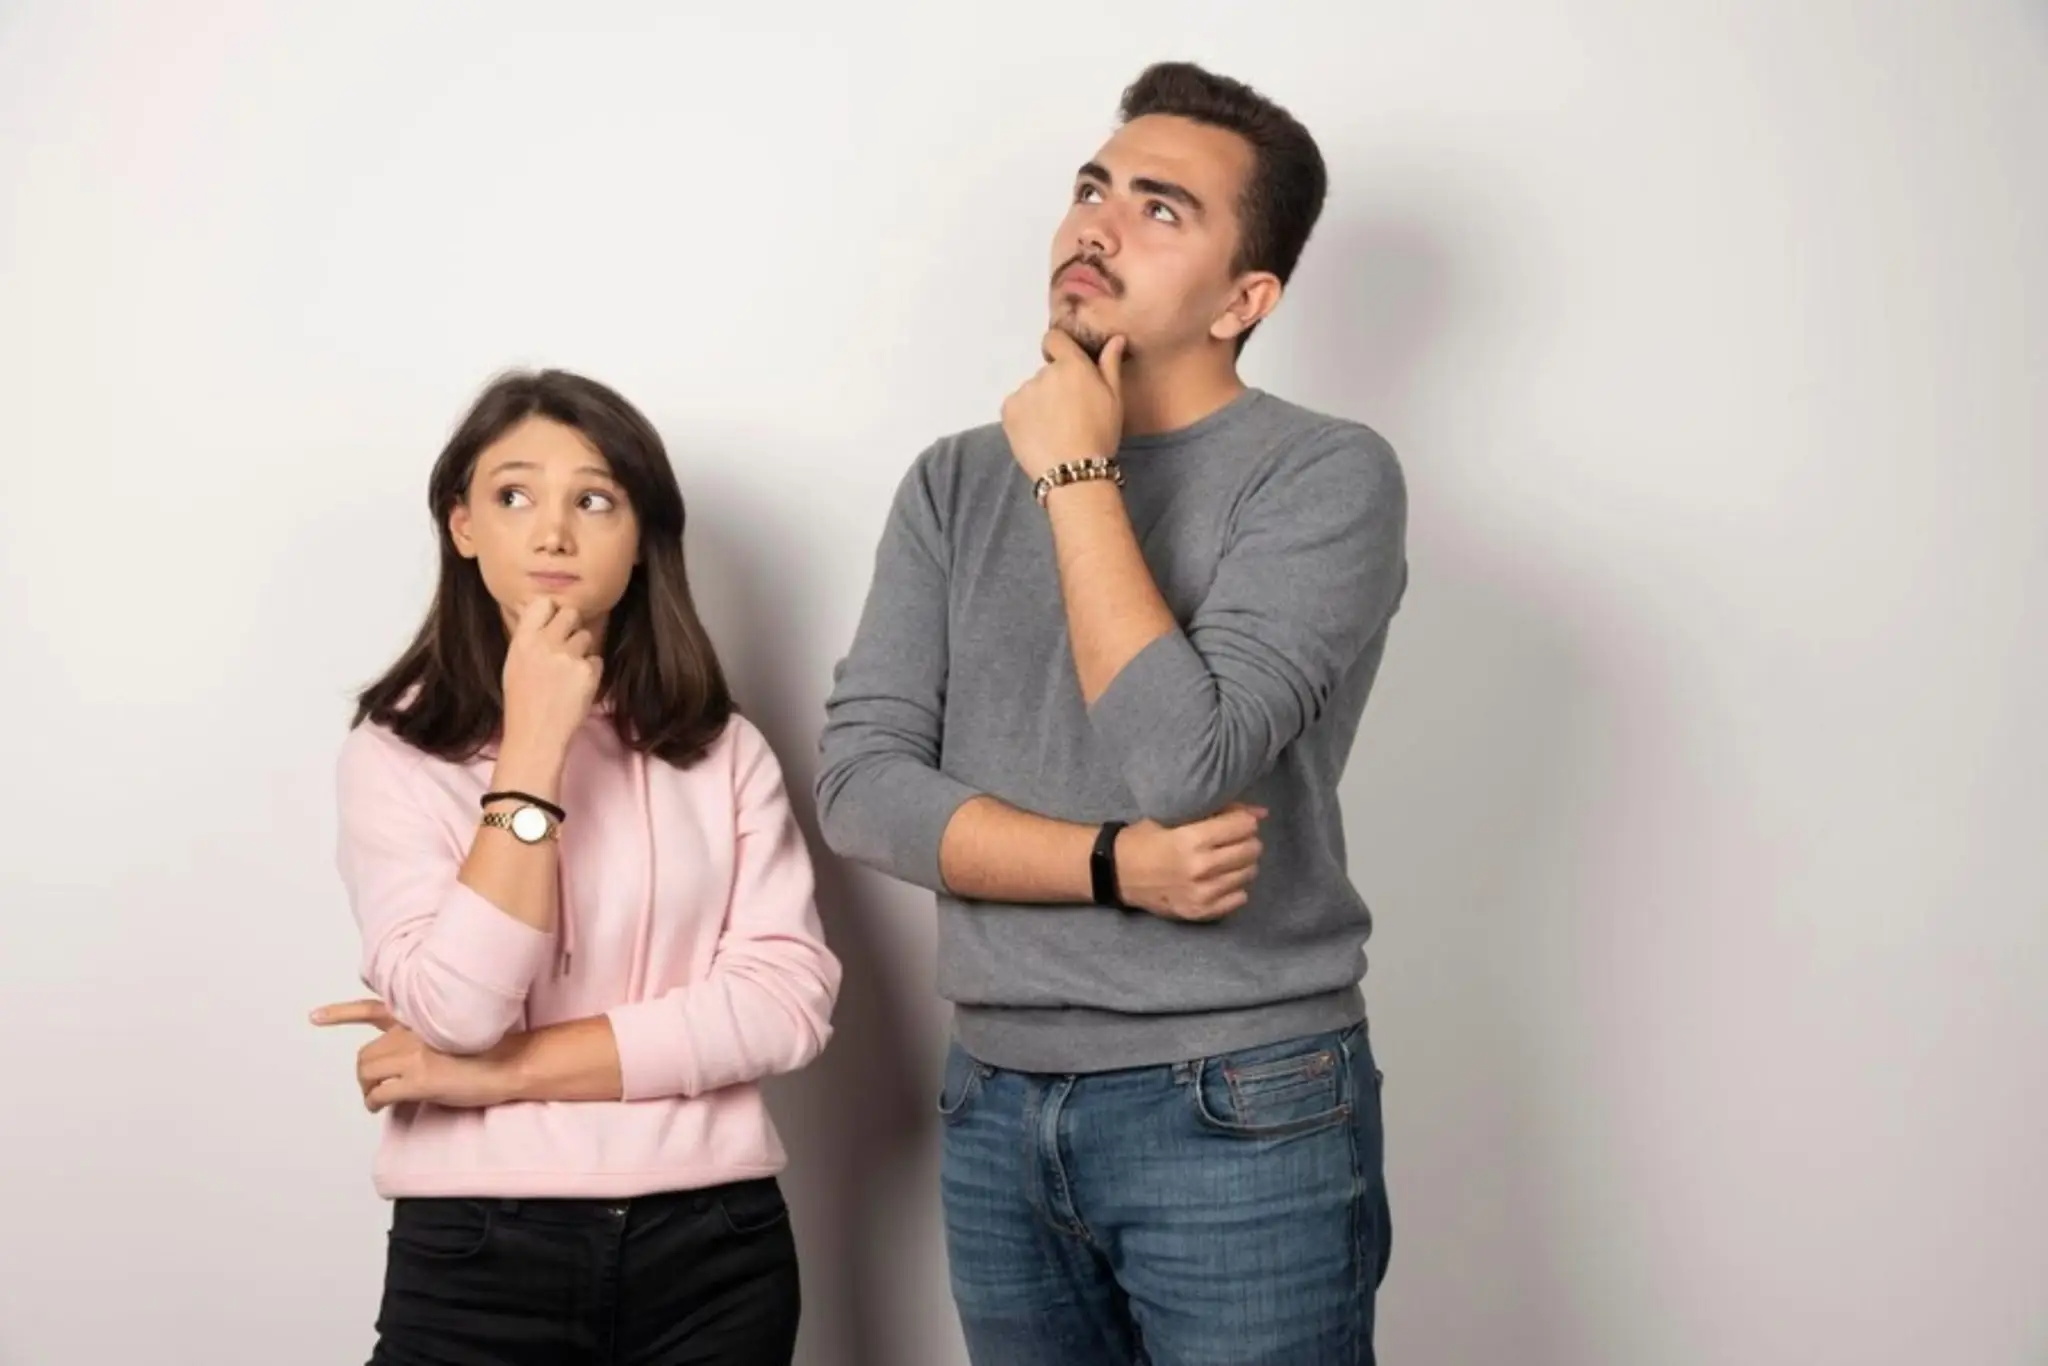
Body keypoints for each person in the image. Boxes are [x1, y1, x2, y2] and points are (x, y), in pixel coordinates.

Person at [816, 61, 1407, 1365]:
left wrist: (1079, 468)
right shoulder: (957, 480)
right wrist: (1110, 866)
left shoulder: (1325, 476)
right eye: (1093, 187)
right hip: (992, 1094)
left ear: (1246, 300)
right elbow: (860, 784)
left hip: (1238, 1099)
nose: (1097, 223)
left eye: (1161, 208)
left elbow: (1181, 762)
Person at [312, 368, 840, 1365]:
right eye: (514, 496)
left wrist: (496, 1076)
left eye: (592, 499)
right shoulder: (394, 753)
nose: (552, 532)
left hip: (714, 1251)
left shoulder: (720, 750)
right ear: (462, 524)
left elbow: (785, 1005)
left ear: (642, 535)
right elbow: (458, 1008)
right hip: (476, 1251)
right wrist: (532, 751)